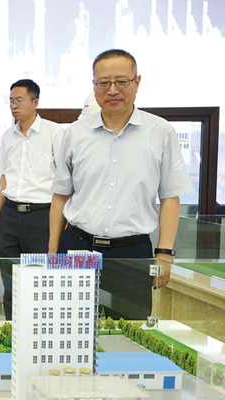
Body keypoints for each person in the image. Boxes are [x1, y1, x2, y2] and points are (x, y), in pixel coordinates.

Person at [49, 49, 193, 318]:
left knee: (129, 331)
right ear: (94, 85)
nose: (112, 90)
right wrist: (53, 251)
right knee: (71, 328)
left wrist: (164, 254)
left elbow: (170, 197)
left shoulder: (161, 132)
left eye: (121, 81)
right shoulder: (75, 134)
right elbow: (60, 196)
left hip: (133, 252)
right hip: (79, 246)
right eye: (103, 83)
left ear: (137, 82)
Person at [0, 79, 63, 319]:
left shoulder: (54, 133)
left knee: (40, 281)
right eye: (11, 101)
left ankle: (40, 331)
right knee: (10, 281)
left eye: (19, 100)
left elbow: (64, 182)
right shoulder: (8, 136)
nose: (14, 106)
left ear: (35, 102)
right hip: (10, 215)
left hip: (40, 216)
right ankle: (12, 328)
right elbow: (4, 177)